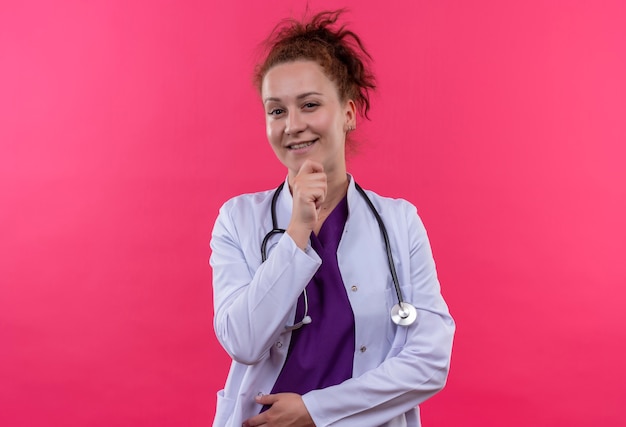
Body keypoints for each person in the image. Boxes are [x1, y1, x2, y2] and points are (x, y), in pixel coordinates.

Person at [210, 9, 455, 427]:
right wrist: (297, 230)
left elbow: (430, 362)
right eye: (276, 111)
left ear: (348, 112)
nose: (293, 125)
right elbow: (245, 342)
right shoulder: (237, 220)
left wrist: (315, 411)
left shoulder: (399, 223)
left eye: (309, 105)